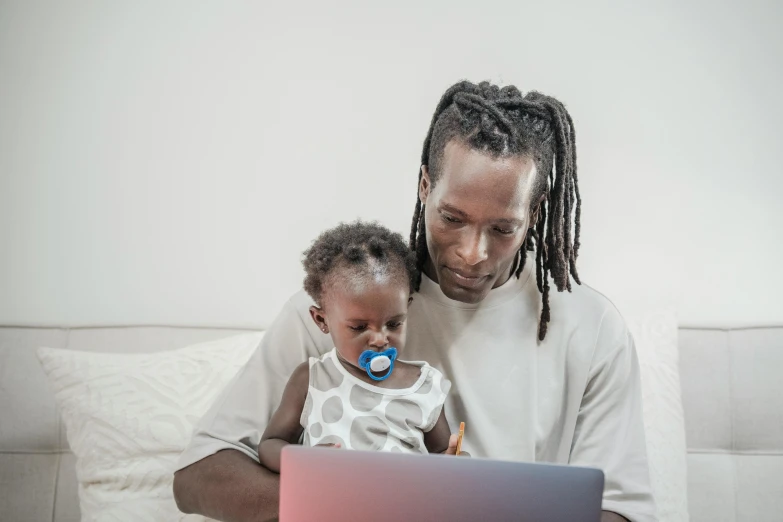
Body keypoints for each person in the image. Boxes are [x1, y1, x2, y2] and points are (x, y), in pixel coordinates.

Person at [173, 80, 657, 522]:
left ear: (534, 212)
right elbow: (198, 476)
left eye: (502, 228)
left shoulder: (591, 329)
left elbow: (619, 511)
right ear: (425, 186)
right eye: (452, 217)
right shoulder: (339, 309)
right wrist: (340, 503)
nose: (472, 252)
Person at [258, 221, 460, 473]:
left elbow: (442, 452)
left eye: (394, 323)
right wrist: (302, 459)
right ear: (322, 320)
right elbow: (269, 444)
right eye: (359, 327)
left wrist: (455, 460)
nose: (379, 339)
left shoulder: (425, 385)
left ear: (407, 308)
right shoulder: (312, 379)